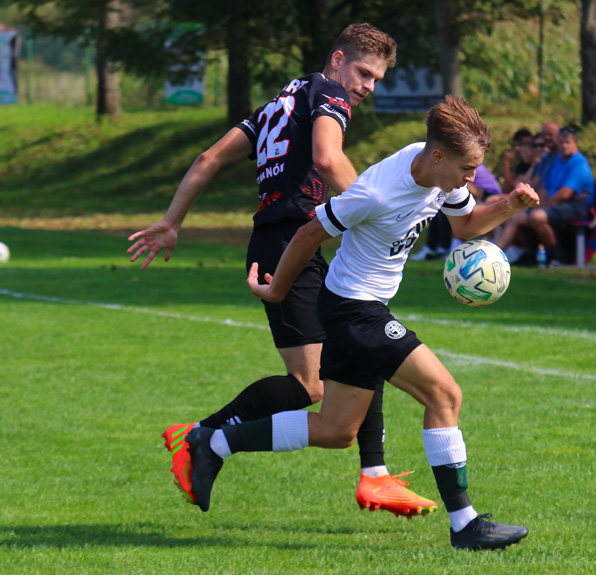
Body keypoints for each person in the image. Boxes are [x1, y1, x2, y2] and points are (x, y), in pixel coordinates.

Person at [185, 96, 538, 550]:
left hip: (358, 307)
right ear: (437, 156)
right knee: (445, 393)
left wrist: (509, 204)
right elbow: (310, 232)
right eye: (468, 168)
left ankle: (214, 443)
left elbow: (468, 226)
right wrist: (276, 291)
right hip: (355, 310)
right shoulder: (376, 193)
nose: (472, 177)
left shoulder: (440, 175)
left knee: (336, 430)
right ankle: (464, 524)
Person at [127, 24, 437, 517]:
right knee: (313, 383)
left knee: (361, 334)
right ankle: (203, 433)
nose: (367, 86)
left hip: (286, 240)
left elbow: (208, 158)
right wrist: (375, 212)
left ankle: (375, 475)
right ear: (337, 61)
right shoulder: (328, 93)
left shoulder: (279, 103)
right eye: (363, 72)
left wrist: (171, 222)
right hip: (290, 241)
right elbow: (327, 158)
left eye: (377, 79)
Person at [497, 125, 594, 264]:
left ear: (575, 143)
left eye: (567, 142)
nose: (564, 146)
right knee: (517, 216)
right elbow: (545, 189)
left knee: (537, 216)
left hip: (575, 206)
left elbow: (564, 194)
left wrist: (541, 208)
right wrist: (535, 205)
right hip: (556, 205)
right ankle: (524, 255)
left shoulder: (579, 163)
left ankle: (556, 257)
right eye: (561, 142)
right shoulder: (558, 162)